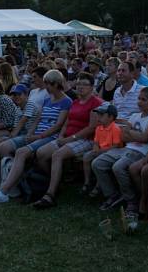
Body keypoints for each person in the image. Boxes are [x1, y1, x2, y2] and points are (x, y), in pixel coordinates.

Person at [0, 69, 71, 204]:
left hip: (50, 136)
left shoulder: (66, 101)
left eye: (47, 84)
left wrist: (38, 136)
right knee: (10, 148)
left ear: (56, 84)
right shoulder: (48, 99)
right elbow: (38, 119)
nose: (45, 86)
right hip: (37, 135)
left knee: (21, 152)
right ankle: (11, 186)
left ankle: (3, 191)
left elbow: (58, 126)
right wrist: (31, 133)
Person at [91, 87, 148, 224]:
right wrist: (136, 135)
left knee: (118, 167)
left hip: (140, 152)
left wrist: (132, 133)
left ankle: (131, 201)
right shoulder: (134, 116)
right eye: (139, 99)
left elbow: (145, 138)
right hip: (126, 148)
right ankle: (112, 194)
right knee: (97, 163)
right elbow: (123, 136)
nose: (140, 102)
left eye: (144, 99)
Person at [32, 73, 102, 209]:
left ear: (92, 87)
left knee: (57, 155)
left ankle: (50, 195)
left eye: (85, 84)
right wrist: (61, 136)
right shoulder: (75, 102)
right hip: (67, 137)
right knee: (41, 153)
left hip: (85, 139)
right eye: (79, 84)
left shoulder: (96, 103)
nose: (80, 87)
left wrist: (70, 139)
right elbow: (67, 122)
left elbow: (91, 128)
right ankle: (56, 183)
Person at [81, 103, 123, 196]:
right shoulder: (99, 127)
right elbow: (96, 142)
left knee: (97, 161)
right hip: (100, 150)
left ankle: (98, 186)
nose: (98, 117)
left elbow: (116, 146)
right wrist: (95, 148)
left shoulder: (115, 129)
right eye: (98, 114)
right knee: (86, 157)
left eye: (101, 115)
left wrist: (100, 151)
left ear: (111, 117)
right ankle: (87, 182)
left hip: (111, 152)